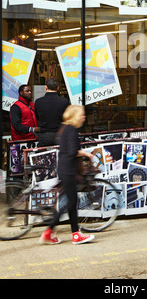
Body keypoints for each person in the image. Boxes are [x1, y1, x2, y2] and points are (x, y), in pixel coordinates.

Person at [40, 105, 95, 245]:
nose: (84, 117)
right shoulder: (71, 130)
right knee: (70, 203)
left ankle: (52, 232)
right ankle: (73, 234)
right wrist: (86, 153)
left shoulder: (64, 128)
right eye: (82, 114)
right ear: (75, 116)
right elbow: (72, 151)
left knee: (68, 203)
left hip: (65, 169)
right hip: (68, 171)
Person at [35, 78, 69, 147]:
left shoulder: (38, 102)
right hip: (60, 134)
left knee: (44, 156)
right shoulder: (64, 101)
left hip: (44, 135)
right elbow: (67, 118)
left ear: (46, 87)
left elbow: (37, 117)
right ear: (58, 88)